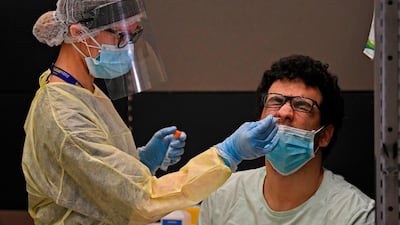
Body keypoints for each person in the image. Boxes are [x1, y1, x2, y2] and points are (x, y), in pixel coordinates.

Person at [21, 0, 281, 224]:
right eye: (120, 36)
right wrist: (227, 154)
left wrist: (140, 161)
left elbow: (87, 179)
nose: (128, 48)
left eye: (134, 35)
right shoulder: (62, 116)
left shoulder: (83, 91)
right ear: (79, 33)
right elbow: (143, 201)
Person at [197, 54, 375, 225]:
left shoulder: (354, 214)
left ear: (324, 135)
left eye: (302, 105)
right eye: (275, 101)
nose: (284, 112)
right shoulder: (222, 197)